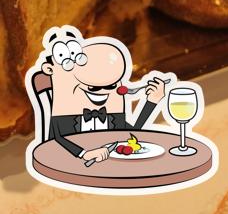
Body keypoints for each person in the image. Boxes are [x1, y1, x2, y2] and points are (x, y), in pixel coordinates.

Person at [39, 29, 168, 164]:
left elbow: (132, 134)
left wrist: (152, 102)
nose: (103, 92)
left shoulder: (112, 114)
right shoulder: (66, 113)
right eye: (92, 87)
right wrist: (84, 153)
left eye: (111, 86)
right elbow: (57, 140)